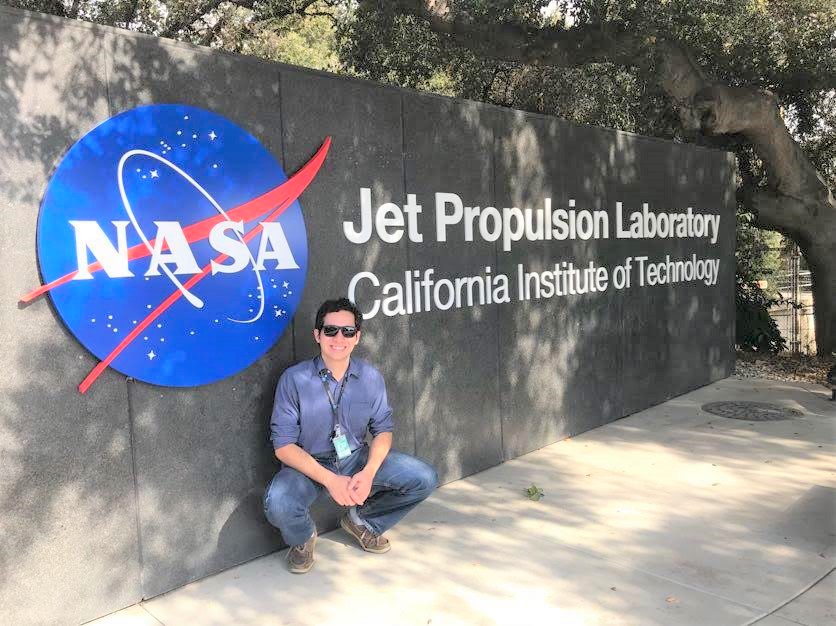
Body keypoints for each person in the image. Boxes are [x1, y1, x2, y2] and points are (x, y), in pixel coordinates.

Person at [263, 297, 438, 573]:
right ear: (317, 335)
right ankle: (303, 538)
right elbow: (283, 446)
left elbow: (383, 430)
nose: (338, 338)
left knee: (424, 478)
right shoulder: (294, 380)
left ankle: (363, 522)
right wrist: (331, 480)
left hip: (355, 458)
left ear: (357, 337)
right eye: (330, 330)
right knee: (279, 502)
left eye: (347, 331)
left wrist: (368, 473)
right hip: (309, 465)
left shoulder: (370, 377)